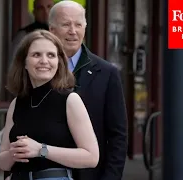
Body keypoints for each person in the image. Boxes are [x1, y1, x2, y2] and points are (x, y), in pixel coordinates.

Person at [0, 30, 99, 180]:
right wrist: (15, 153)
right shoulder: (17, 103)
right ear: (24, 62)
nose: (44, 61)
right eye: (36, 55)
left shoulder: (70, 100)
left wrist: (41, 150)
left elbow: (91, 157)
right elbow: (2, 163)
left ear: (59, 62)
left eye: (51, 55)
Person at [48, 1, 128, 180]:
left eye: (78, 25)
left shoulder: (107, 73)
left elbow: (118, 136)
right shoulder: (38, 69)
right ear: (52, 30)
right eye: (66, 24)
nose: (73, 31)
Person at [9, 0, 54, 66]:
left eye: (49, 7)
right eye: (40, 8)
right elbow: (13, 65)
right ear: (34, 12)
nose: (46, 12)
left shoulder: (61, 33)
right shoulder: (24, 35)